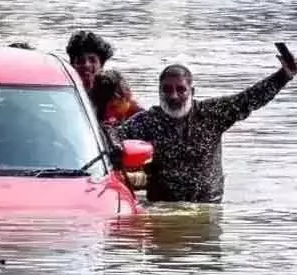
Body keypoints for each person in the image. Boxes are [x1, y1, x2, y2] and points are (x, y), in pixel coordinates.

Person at [117, 56, 296, 203]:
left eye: (181, 89)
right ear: (159, 92)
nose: (173, 95)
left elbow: (249, 99)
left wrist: (283, 75)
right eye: (167, 90)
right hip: (164, 207)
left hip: (208, 207)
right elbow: (113, 137)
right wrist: (117, 153)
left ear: (192, 91)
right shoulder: (150, 120)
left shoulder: (212, 114)